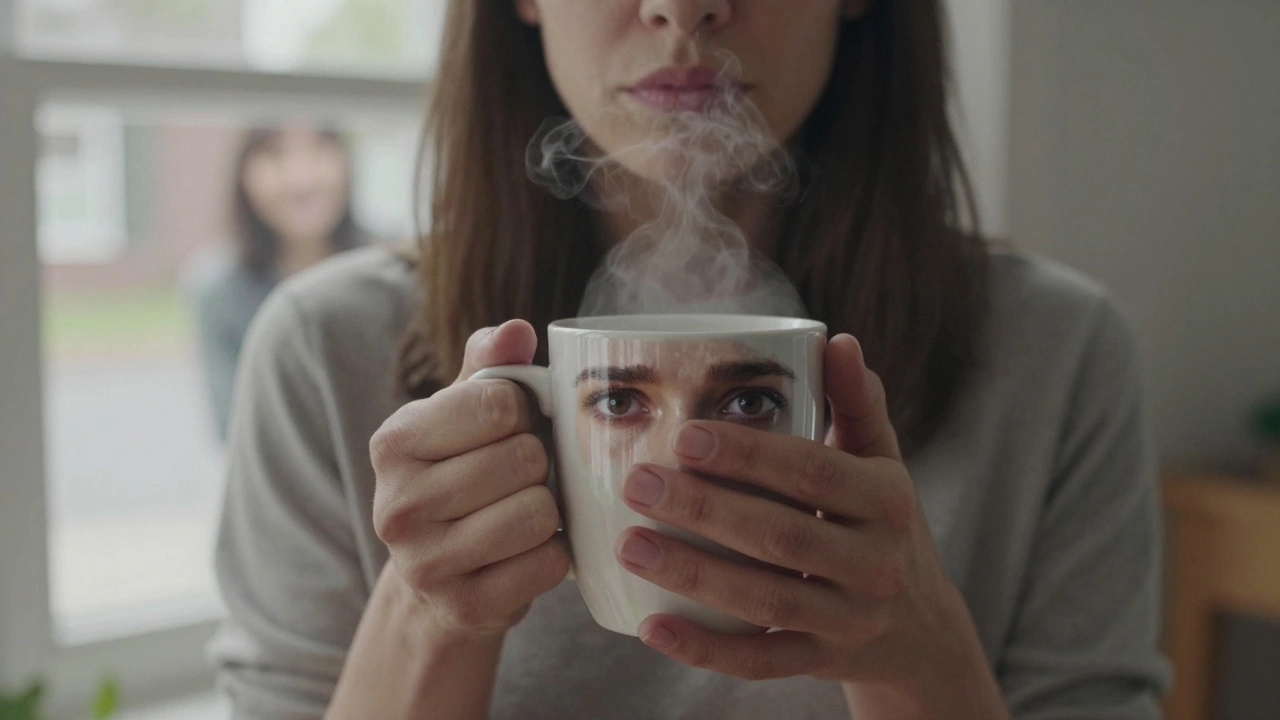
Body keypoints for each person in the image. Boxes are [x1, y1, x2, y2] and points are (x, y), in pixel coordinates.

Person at [208, 2, 1171, 719]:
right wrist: (429, 616)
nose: (685, 4)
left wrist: (916, 661)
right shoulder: (325, 352)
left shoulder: (1055, 356)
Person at [191, 122, 361, 440]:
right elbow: (235, 431)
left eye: (320, 148)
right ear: (244, 173)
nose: (303, 179)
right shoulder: (217, 289)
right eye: (274, 153)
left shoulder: (393, 264)